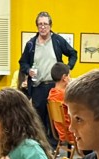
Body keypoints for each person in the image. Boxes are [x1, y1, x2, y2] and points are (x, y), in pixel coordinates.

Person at [18, 11, 77, 145]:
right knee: (39, 119)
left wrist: (68, 68)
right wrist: (28, 70)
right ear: (37, 26)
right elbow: (23, 62)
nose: (43, 27)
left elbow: (73, 53)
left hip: (55, 85)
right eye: (40, 24)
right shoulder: (31, 44)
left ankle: (54, 146)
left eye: (45, 24)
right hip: (38, 86)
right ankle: (41, 145)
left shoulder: (58, 40)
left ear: (50, 26)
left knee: (55, 118)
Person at [47, 62, 72, 144]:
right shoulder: (64, 95)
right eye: (69, 76)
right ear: (64, 77)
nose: (70, 78)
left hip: (60, 133)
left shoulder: (52, 93)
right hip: (70, 133)